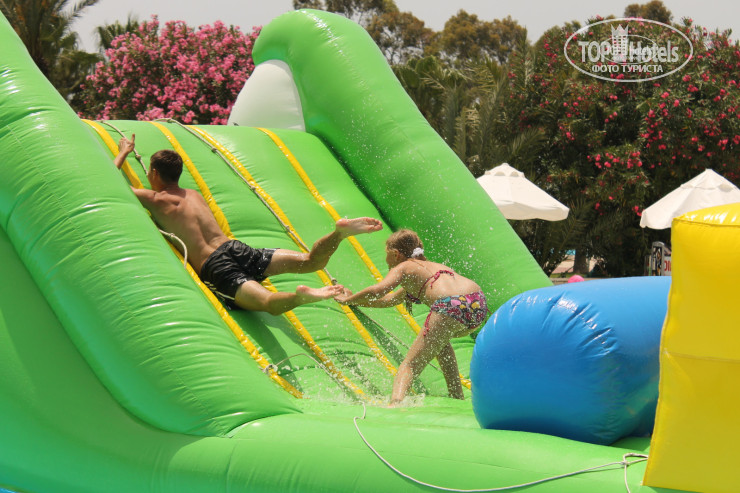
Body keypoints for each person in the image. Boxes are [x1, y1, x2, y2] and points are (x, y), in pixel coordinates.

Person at [113, 133, 383, 314]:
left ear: (154, 173)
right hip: (236, 249)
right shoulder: (193, 195)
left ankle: (302, 297)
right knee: (310, 261)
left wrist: (124, 151)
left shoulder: (156, 199)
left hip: (216, 266)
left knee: (267, 302)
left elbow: (109, 181)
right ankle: (339, 233)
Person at [334, 229, 487, 405]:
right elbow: (390, 300)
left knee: (409, 366)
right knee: (440, 342)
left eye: (387, 255)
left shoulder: (404, 266)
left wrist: (347, 299)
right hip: (477, 304)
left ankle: (395, 405)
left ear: (396, 254)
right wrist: (356, 301)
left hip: (450, 306)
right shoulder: (431, 268)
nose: (386, 261)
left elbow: (378, 291)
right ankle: (456, 395)